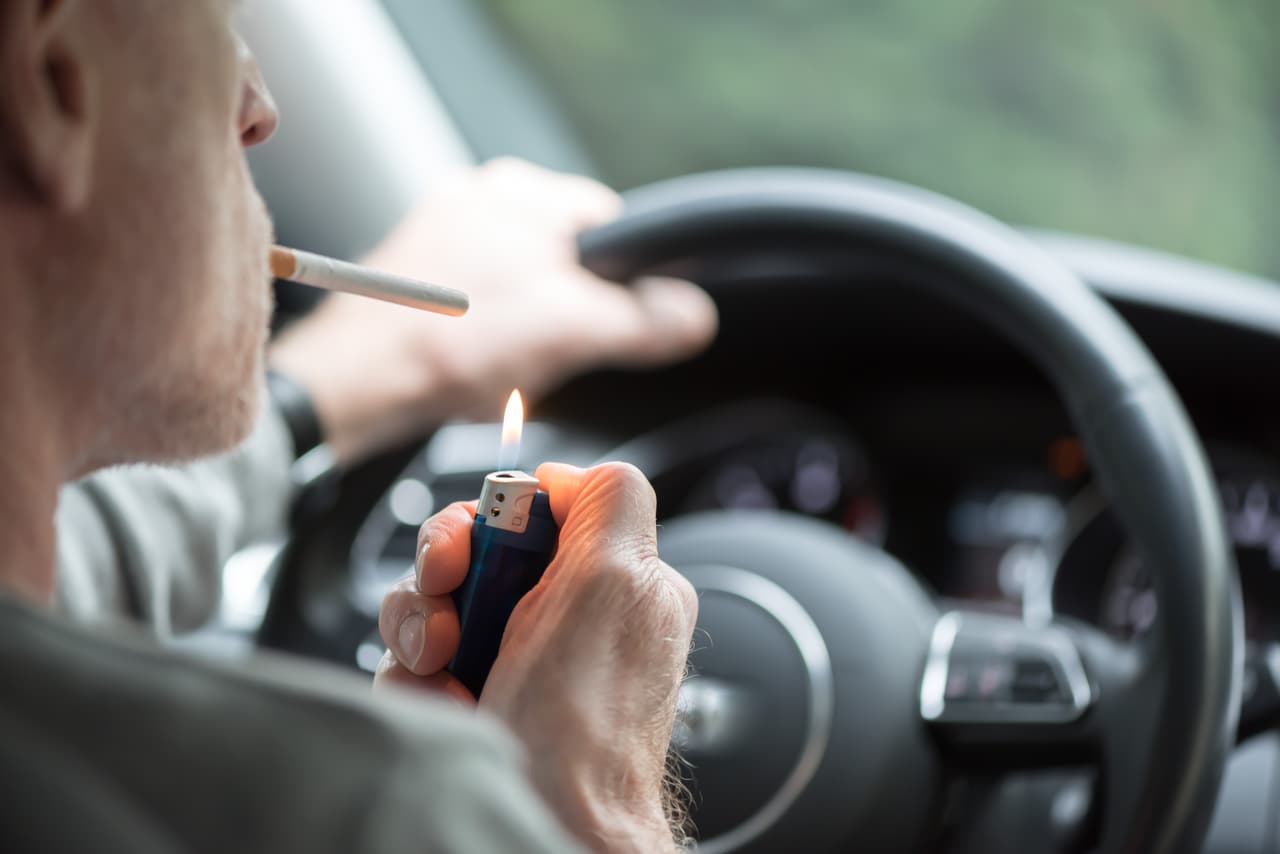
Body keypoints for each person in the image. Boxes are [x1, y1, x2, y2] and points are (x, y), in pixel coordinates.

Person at [0, 2, 711, 852]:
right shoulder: (378, 809)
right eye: (215, 22)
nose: (258, 105)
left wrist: (371, 370)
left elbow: (87, 542)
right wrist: (593, 812)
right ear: (49, 78)